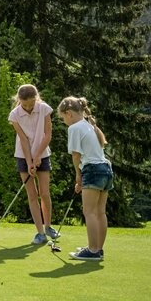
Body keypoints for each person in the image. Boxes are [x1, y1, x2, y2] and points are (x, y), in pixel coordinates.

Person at [57, 96, 112, 261]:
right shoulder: (89, 125)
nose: (64, 121)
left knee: (89, 212)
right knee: (100, 212)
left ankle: (93, 250)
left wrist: (78, 177)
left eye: (63, 118)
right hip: (106, 168)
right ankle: (98, 249)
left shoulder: (74, 128)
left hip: (92, 170)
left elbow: (76, 155)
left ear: (69, 113)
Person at [8, 84, 58, 245]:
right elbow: (23, 139)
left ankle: (48, 226)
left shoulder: (44, 109)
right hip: (23, 156)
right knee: (32, 194)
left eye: (31, 104)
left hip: (42, 153)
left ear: (36, 98)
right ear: (19, 100)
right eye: (25, 104)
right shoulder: (15, 115)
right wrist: (29, 161)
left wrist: (37, 156)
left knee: (44, 193)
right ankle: (40, 232)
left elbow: (48, 134)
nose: (28, 107)